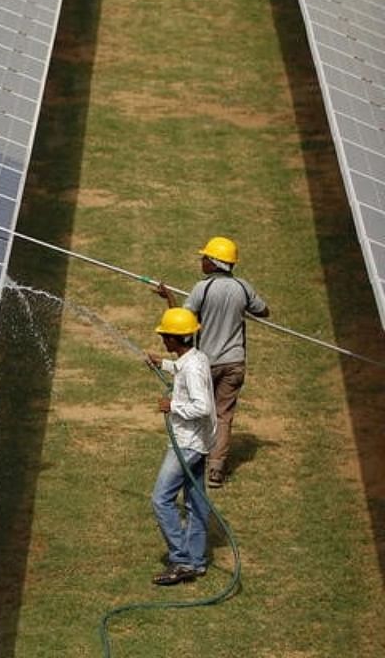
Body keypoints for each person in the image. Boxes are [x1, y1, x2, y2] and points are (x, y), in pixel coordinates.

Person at [154, 236, 269, 488]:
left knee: (201, 409)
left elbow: (182, 321)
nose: (201, 261)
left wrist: (169, 297)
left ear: (215, 263)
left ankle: (197, 455)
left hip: (207, 362)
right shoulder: (242, 287)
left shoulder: (202, 289)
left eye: (205, 257)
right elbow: (263, 311)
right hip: (235, 362)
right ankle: (216, 468)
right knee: (223, 414)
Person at [145, 307, 217, 585]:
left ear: (175, 339)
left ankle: (182, 559)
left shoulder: (193, 369)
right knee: (196, 502)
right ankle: (196, 563)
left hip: (187, 445)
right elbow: (183, 369)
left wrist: (171, 405)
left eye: (165, 335)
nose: (163, 339)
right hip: (199, 443)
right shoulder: (195, 358)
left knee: (160, 499)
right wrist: (162, 364)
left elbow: (202, 406)